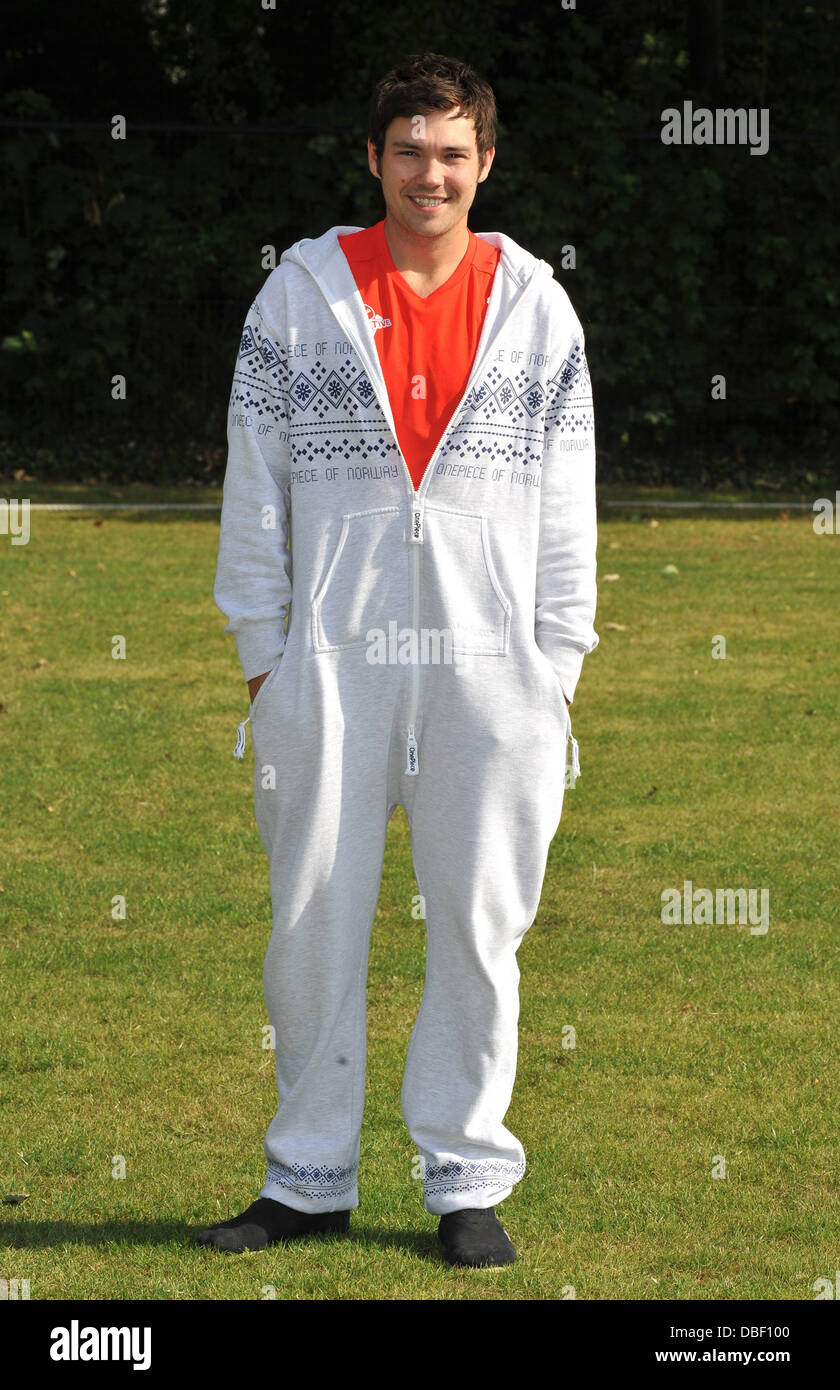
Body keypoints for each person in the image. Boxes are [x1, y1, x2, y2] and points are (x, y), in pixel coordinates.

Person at [199, 51, 598, 1269]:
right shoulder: (300, 296)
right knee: (314, 913)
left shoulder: (536, 304)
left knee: (480, 924)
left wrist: (555, 664)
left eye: (454, 153)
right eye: (410, 150)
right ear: (373, 158)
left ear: (486, 164)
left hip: (495, 667)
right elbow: (254, 484)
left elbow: (569, 504)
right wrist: (265, 658)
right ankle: (306, 1176)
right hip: (332, 654)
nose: (432, 172)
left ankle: (467, 1176)